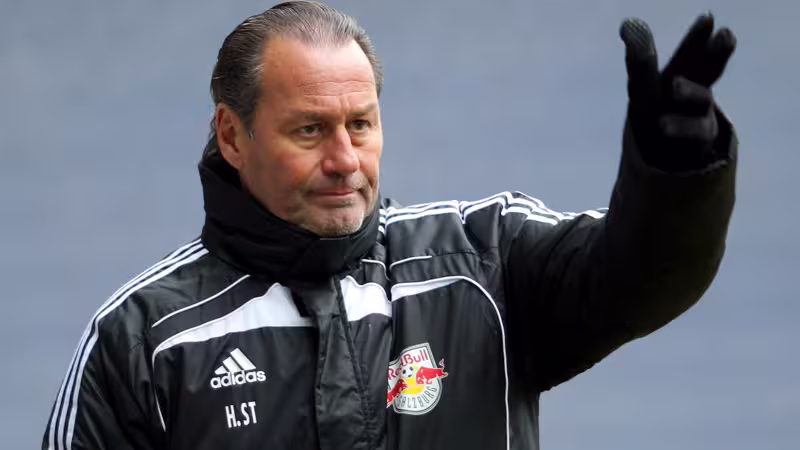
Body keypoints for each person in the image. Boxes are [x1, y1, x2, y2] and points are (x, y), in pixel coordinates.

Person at [42, 2, 738, 449]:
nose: (344, 160)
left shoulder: (484, 262)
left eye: (361, 125)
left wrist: (672, 177)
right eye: (309, 130)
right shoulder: (142, 339)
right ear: (232, 135)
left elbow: (641, 276)